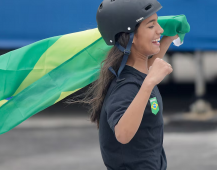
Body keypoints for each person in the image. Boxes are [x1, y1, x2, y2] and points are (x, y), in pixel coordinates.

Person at [66, 0, 179, 169]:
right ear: (130, 36)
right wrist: (150, 83)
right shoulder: (125, 86)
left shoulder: (138, 74)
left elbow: (145, 71)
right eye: (151, 26)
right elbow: (123, 134)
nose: (160, 30)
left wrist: (168, 39)